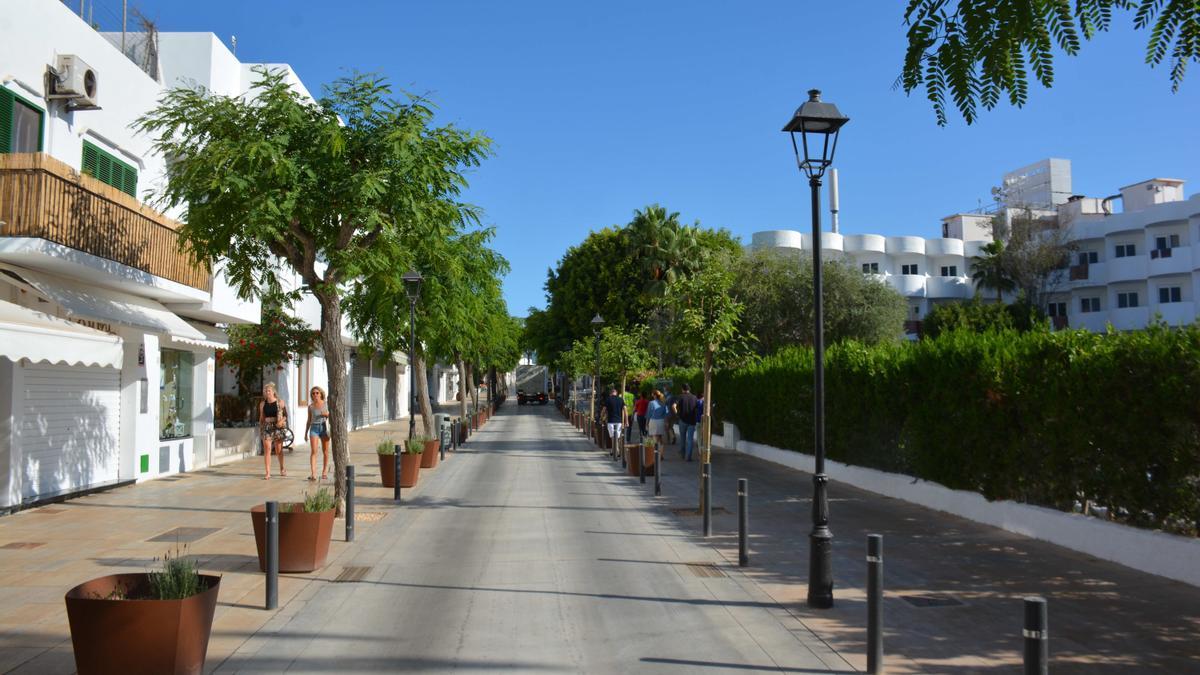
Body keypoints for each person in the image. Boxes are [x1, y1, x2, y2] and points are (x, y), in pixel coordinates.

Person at [259, 382, 288, 479]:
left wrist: (281, 421)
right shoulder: (263, 404)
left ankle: (282, 467)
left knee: (278, 450)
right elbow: (261, 417)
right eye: (265, 391)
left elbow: (285, 415)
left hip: (277, 427)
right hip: (267, 427)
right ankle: (267, 473)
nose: (267, 393)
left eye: (269, 391)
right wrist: (261, 427)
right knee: (267, 449)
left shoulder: (280, 402)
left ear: (273, 392)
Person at [305, 386, 331, 481]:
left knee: (325, 451)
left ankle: (324, 472)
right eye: (313, 393)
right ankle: (313, 474)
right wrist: (305, 432)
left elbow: (331, 414)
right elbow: (308, 420)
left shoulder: (326, 404)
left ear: (321, 394)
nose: (315, 394)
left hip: (324, 427)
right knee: (314, 451)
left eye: (317, 393)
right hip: (314, 428)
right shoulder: (310, 407)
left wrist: (327, 414)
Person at [672, 382, 700, 462]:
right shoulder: (694, 397)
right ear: (689, 389)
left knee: (683, 438)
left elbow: (673, 406)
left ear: (682, 389)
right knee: (690, 439)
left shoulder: (680, 397)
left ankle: (683, 453)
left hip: (683, 420)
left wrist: (677, 413)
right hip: (692, 421)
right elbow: (697, 408)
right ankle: (688, 457)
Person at [646, 390, 669, 460]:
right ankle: (661, 454)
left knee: (654, 438)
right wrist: (666, 423)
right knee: (660, 439)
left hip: (653, 421)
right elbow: (666, 414)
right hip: (661, 421)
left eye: (652, 395)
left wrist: (647, 423)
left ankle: (655, 454)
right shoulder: (663, 403)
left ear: (655, 395)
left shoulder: (651, 403)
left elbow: (649, 414)